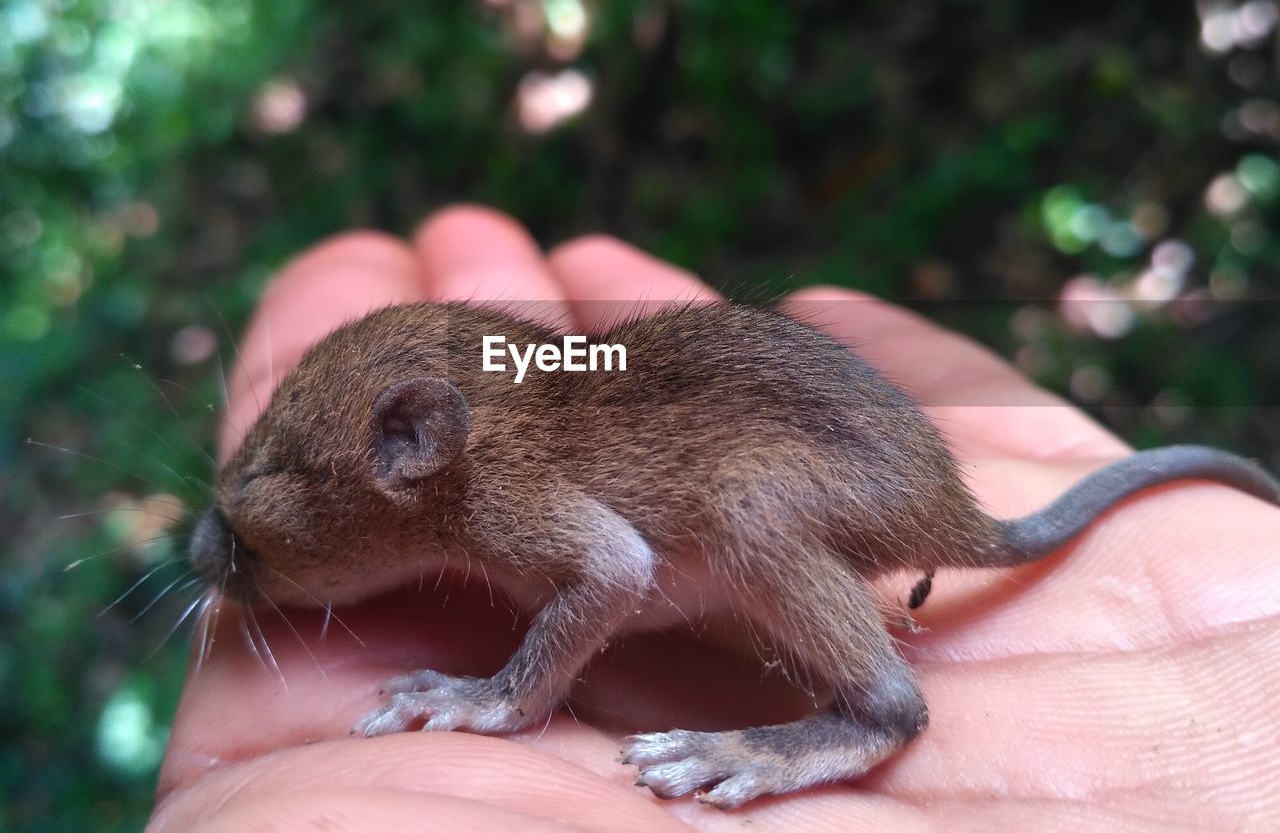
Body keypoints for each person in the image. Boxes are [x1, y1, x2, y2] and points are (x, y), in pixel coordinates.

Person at [147, 205, 1280, 831]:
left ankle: (865, 714)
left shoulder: (493, 492)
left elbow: (612, 565)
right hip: (820, 431)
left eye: (261, 517)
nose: (228, 543)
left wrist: (508, 695)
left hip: (836, 468)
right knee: (733, 483)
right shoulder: (491, 399)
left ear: (412, 451)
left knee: (747, 500)